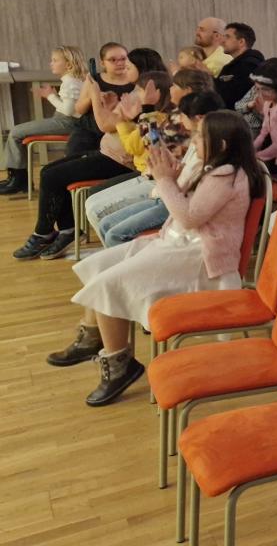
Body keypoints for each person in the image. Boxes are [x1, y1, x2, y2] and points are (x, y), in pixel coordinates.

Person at [47, 111, 264, 406]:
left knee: (108, 283)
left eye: (200, 137)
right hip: (177, 244)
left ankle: (119, 365)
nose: (194, 141)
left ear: (222, 145)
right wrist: (169, 176)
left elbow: (188, 217)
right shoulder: (214, 166)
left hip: (198, 259)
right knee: (100, 265)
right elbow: (181, 198)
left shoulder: (226, 177)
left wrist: (164, 180)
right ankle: (93, 336)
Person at [12, 45, 142, 259]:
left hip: (120, 158)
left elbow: (105, 125)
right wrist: (97, 98)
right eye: (114, 60)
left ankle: (46, 233)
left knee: (54, 175)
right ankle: (65, 229)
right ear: (103, 62)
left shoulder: (138, 95)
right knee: (49, 171)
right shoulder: (126, 91)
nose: (122, 65)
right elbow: (86, 113)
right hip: (106, 148)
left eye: (125, 61)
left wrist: (98, 98)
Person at [93, 92, 224, 248]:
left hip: (170, 199)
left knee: (114, 233)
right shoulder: (198, 137)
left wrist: (166, 177)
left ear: (199, 118)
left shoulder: (205, 145)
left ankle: (130, 263)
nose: (180, 118)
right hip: (161, 190)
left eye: (182, 115)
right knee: (106, 224)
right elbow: (155, 146)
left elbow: (187, 190)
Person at [0, 46, 87, 194]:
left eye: (55, 60)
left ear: (68, 64)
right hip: (66, 121)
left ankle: (18, 180)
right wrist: (53, 95)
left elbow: (68, 111)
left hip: (67, 122)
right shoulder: (73, 80)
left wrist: (50, 96)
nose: (51, 63)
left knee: (15, 132)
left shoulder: (70, 82)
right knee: (17, 132)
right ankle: (18, 179)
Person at [214, 22, 263, 108]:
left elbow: (234, 97)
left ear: (241, 42)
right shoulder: (236, 65)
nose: (222, 41)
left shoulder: (249, 65)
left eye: (227, 37)